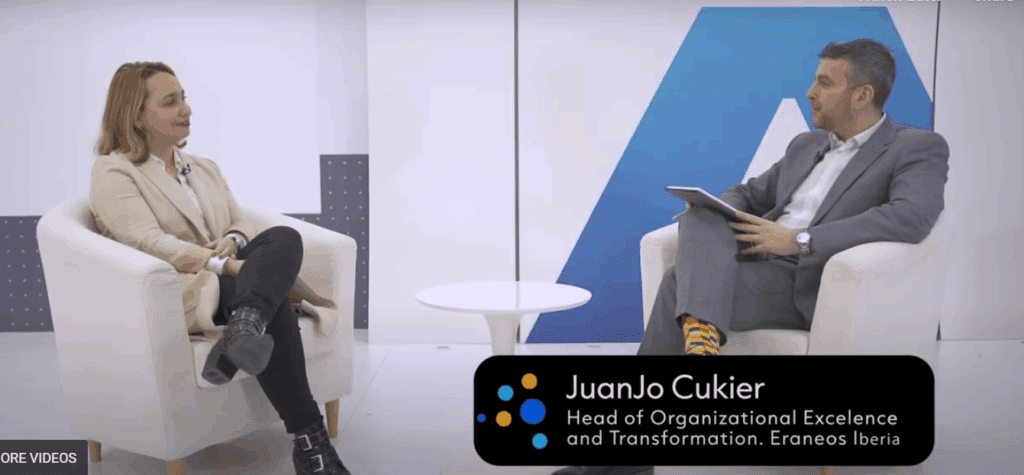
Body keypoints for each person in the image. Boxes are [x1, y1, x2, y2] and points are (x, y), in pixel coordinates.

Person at [552, 39, 949, 475]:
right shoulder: (806, 144)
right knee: (701, 215)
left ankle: (626, 453)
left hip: (809, 281)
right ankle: (701, 346)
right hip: (757, 263)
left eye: (824, 83)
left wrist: (799, 240)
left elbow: (912, 216)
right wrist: (717, 209)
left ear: (862, 95)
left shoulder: (916, 147)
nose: (810, 92)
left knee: (676, 286)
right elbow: (747, 194)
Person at [88, 62, 352, 475]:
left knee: (284, 237)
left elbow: (239, 218)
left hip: (235, 278)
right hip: (188, 288)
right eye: (170, 102)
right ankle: (311, 444)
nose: (186, 109)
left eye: (184, 98)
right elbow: (148, 241)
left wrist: (234, 239)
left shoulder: (203, 166)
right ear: (136, 115)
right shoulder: (114, 171)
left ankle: (244, 328)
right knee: (269, 298)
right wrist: (222, 264)